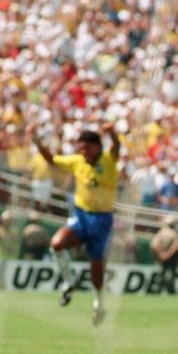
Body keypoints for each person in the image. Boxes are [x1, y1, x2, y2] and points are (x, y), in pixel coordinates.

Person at [30, 123, 121, 326]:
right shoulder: (77, 161)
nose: (83, 152)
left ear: (98, 146)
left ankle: (99, 303)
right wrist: (36, 140)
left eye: (87, 148)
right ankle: (69, 281)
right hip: (81, 215)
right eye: (81, 148)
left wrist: (112, 133)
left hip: (102, 219)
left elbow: (116, 146)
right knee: (57, 244)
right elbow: (51, 159)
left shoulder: (108, 159)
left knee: (96, 264)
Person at [150, 214, 178, 294]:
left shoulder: (160, 232)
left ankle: (158, 290)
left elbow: (154, 245)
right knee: (171, 275)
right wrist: (168, 254)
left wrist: (161, 254)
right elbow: (176, 246)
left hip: (162, 257)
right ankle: (171, 291)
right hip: (172, 258)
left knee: (161, 275)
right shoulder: (175, 233)